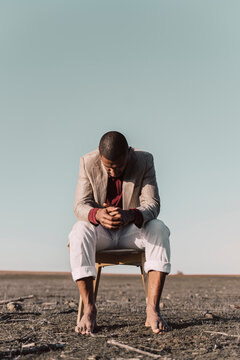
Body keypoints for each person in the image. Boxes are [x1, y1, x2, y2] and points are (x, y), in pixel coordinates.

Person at [68, 131, 171, 335]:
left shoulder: (144, 160)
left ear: (128, 154)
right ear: (100, 156)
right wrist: (98, 214)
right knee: (78, 230)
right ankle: (89, 309)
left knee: (159, 228)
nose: (113, 172)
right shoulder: (87, 162)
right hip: (101, 233)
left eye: (119, 167)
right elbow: (79, 206)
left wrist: (130, 215)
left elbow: (152, 204)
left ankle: (152, 310)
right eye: (108, 167)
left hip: (131, 231)